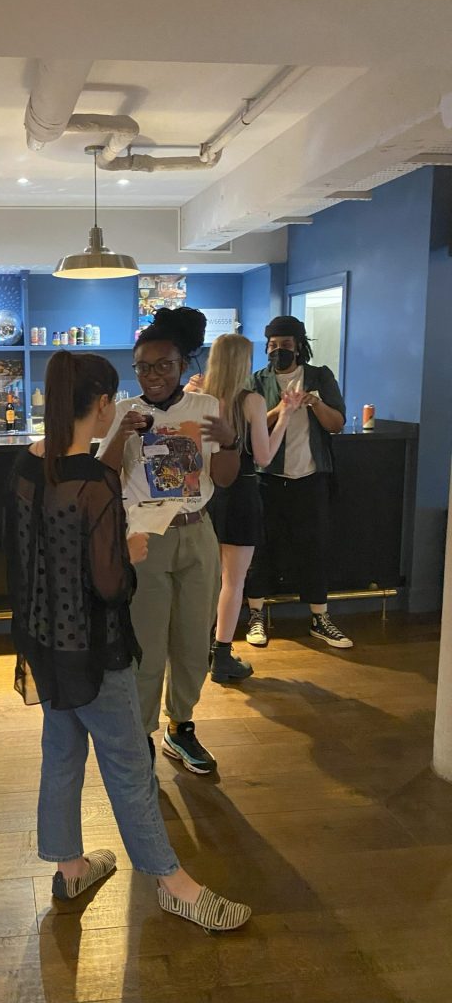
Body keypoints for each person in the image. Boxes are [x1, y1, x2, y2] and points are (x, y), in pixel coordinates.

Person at [3, 350, 251, 932]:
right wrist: (131, 555)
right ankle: (172, 881)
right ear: (104, 403)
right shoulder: (93, 484)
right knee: (128, 766)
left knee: (61, 753)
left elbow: (19, 554)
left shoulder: (26, 465)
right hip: (92, 646)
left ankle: (69, 867)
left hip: (43, 640)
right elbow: (111, 584)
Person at [98, 308, 240, 775]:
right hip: (145, 537)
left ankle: (182, 726)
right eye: (143, 366)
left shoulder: (207, 408)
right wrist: (122, 432)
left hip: (197, 531)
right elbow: (102, 478)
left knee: (193, 637)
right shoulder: (123, 412)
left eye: (164, 364)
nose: (153, 374)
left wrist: (230, 440)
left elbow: (225, 477)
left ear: (183, 365)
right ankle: (141, 733)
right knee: (147, 641)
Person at [190, 334, 304, 680]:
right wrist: (285, 413)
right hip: (240, 493)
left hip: (203, 493)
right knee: (233, 582)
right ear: (242, 362)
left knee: (203, 579)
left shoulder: (195, 397)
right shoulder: (250, 400)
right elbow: (265, 456)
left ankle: (195, 648)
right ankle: (221, 656)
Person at [244, 315, 353, 649]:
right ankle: (256, 615)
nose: (280, 352)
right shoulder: (258, 381)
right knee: (259, 547)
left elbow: (336, 424)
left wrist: (314, 402)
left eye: (286, 345)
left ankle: (320, 617)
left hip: (311, 477)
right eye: (274, 346)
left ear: (300, 346)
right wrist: (282, 408)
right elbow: (250, 427)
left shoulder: (320, 377)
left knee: (315, 547)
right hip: (268, 479)